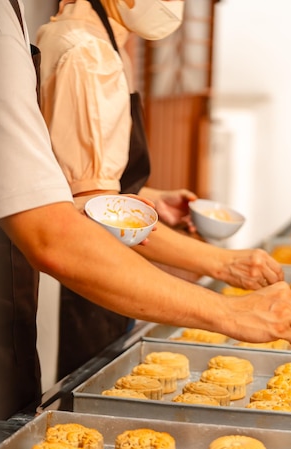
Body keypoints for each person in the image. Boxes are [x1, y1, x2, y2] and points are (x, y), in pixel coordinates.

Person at [0, 1, 291, 449]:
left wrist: (148, 204)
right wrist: (229, 294)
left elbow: (85, 193)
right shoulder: (59, 43)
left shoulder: (88, 37)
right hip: (48, 287)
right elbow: (66, 223)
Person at [37, 0, 201, 379]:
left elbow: (76, 179)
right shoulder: (86, 54)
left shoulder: (100, 40)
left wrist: (153, 199)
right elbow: (96, 213)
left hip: (99, 263)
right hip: (81, 280)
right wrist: (225, 264)